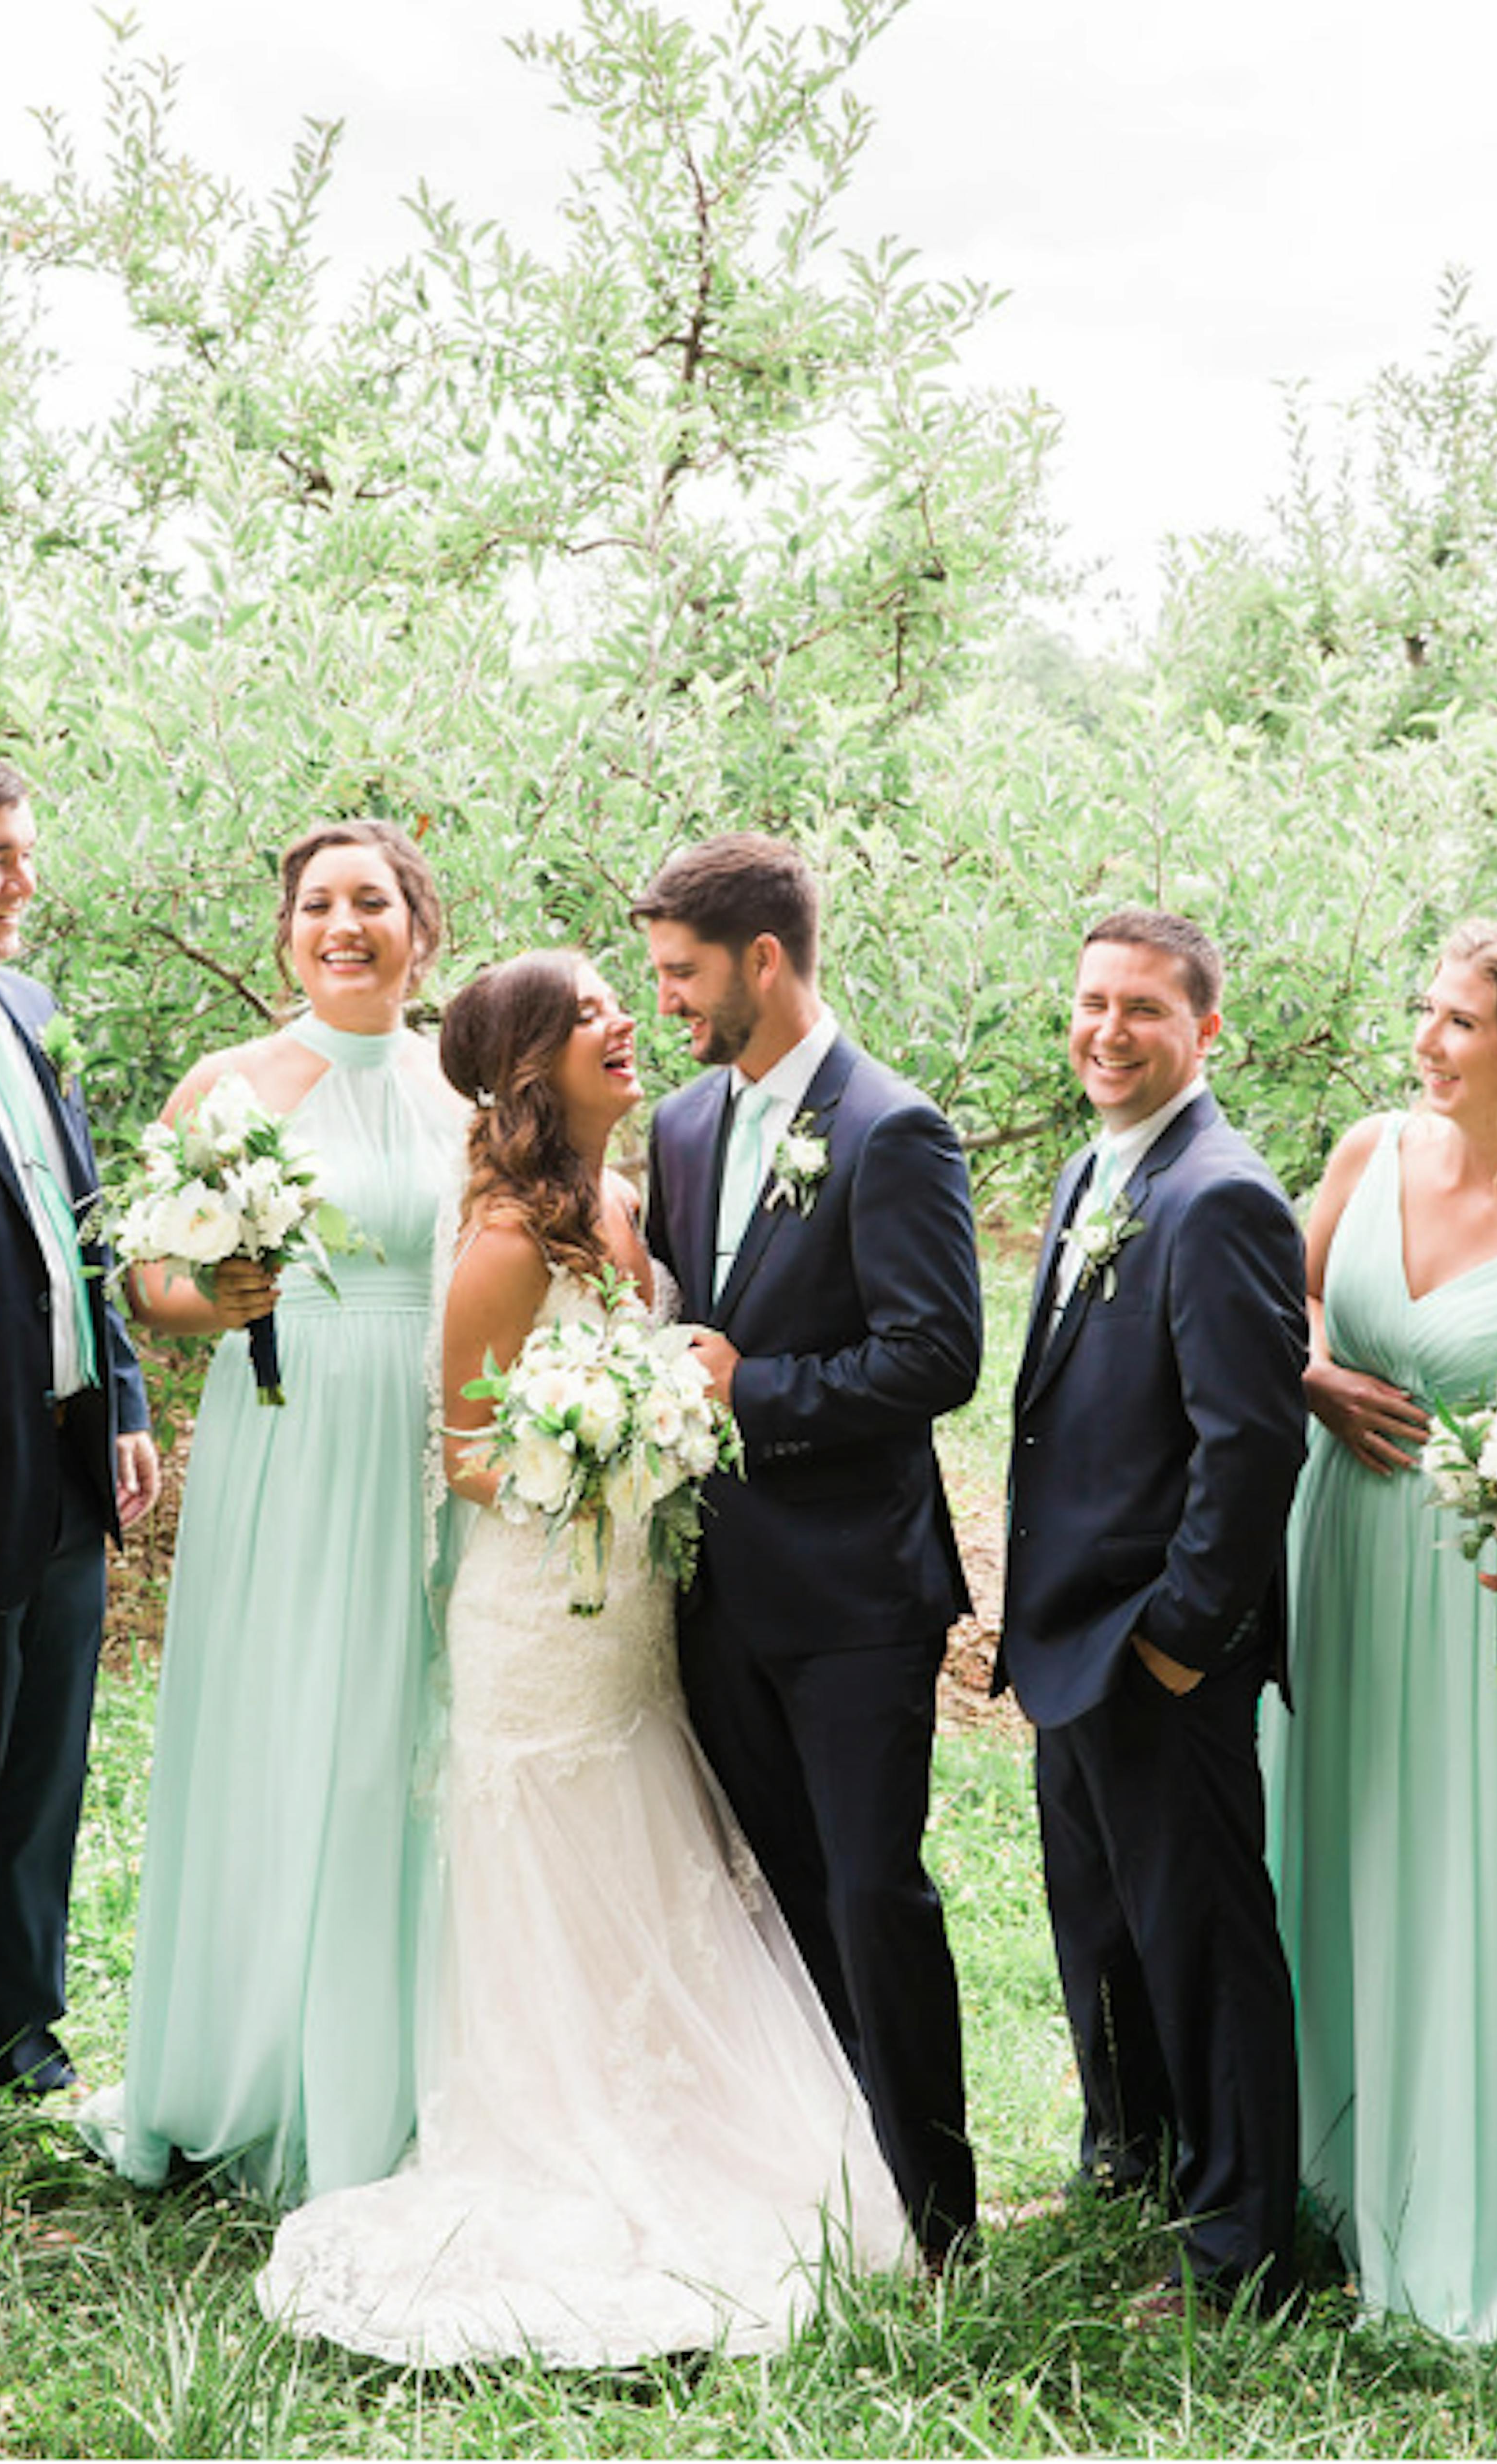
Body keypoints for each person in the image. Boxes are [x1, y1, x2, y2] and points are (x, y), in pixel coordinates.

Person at [258, 950, 907, 2365]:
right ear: (529, 1068)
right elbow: (463, 1454)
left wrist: (653, 1435)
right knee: (557, 1848)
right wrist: (596, 1461)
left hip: (635, 1615)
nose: (626, 1022)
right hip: (535, 1614)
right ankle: (567, 2127)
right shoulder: (503, 1240)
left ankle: (678, 2105)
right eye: (590, 1014)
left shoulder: (625, 1194)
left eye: (623, 1000)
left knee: (649, 1842)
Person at [78, 818, 468, 2207]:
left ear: (420, 926)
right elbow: (143, 1284)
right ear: (289, 932)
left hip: (436, 1437)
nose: (342, 924)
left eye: (372, 901)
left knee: (411, 1736)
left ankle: (410, 2067)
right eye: (316, 904)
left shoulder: (465, 1085)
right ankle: (253, 2064)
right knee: (294, 1721)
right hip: (291, 1439)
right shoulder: (229, 1085)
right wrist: (213, 1293)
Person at [633, 834, 982, 2270]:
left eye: (683, 973)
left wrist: (753, 1390)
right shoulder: (680, 1126)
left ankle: (937, 2213)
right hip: (715, 1585)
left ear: (764, 960)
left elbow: (937, 1354)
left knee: (870, 1890)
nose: (666, 1001)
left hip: (853, 1594)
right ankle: (827, 2184)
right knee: (770, 1892)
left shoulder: (894, 1129)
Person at [995, 907, 1308, 2315]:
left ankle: (1240, 2253)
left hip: (1155, 1645)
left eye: (1143, 1009)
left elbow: (1250, 1444)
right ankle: (1130, 2165)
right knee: (1102, 1925)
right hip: (1071, 1636)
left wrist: (1182, 1635)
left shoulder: (1221, 1195)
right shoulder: (1095, 1167)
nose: (1107, 1032)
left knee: (1204, 1947)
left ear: (1206, 1030)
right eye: (1092, 1003)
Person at [1262, 917, 1497, 2344]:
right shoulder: (1371, 1152)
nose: (1426, 1041)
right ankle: (1325, 2162)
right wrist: (1316, 1372)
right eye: (1427, 1010)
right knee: (1340, 1834)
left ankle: (1476, 2180)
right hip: (1342, 1551)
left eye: (1461, 1023)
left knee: (1461, 1864)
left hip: (1490, 1603)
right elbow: (1301, 1295)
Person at [0, 740, 158, 2236]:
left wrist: (119, 1395)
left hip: (62, 1460)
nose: (23, 884)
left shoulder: (31, 1013)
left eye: (25, 853)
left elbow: (85, 1225)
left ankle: (19, 2041)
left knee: (42, 1777)